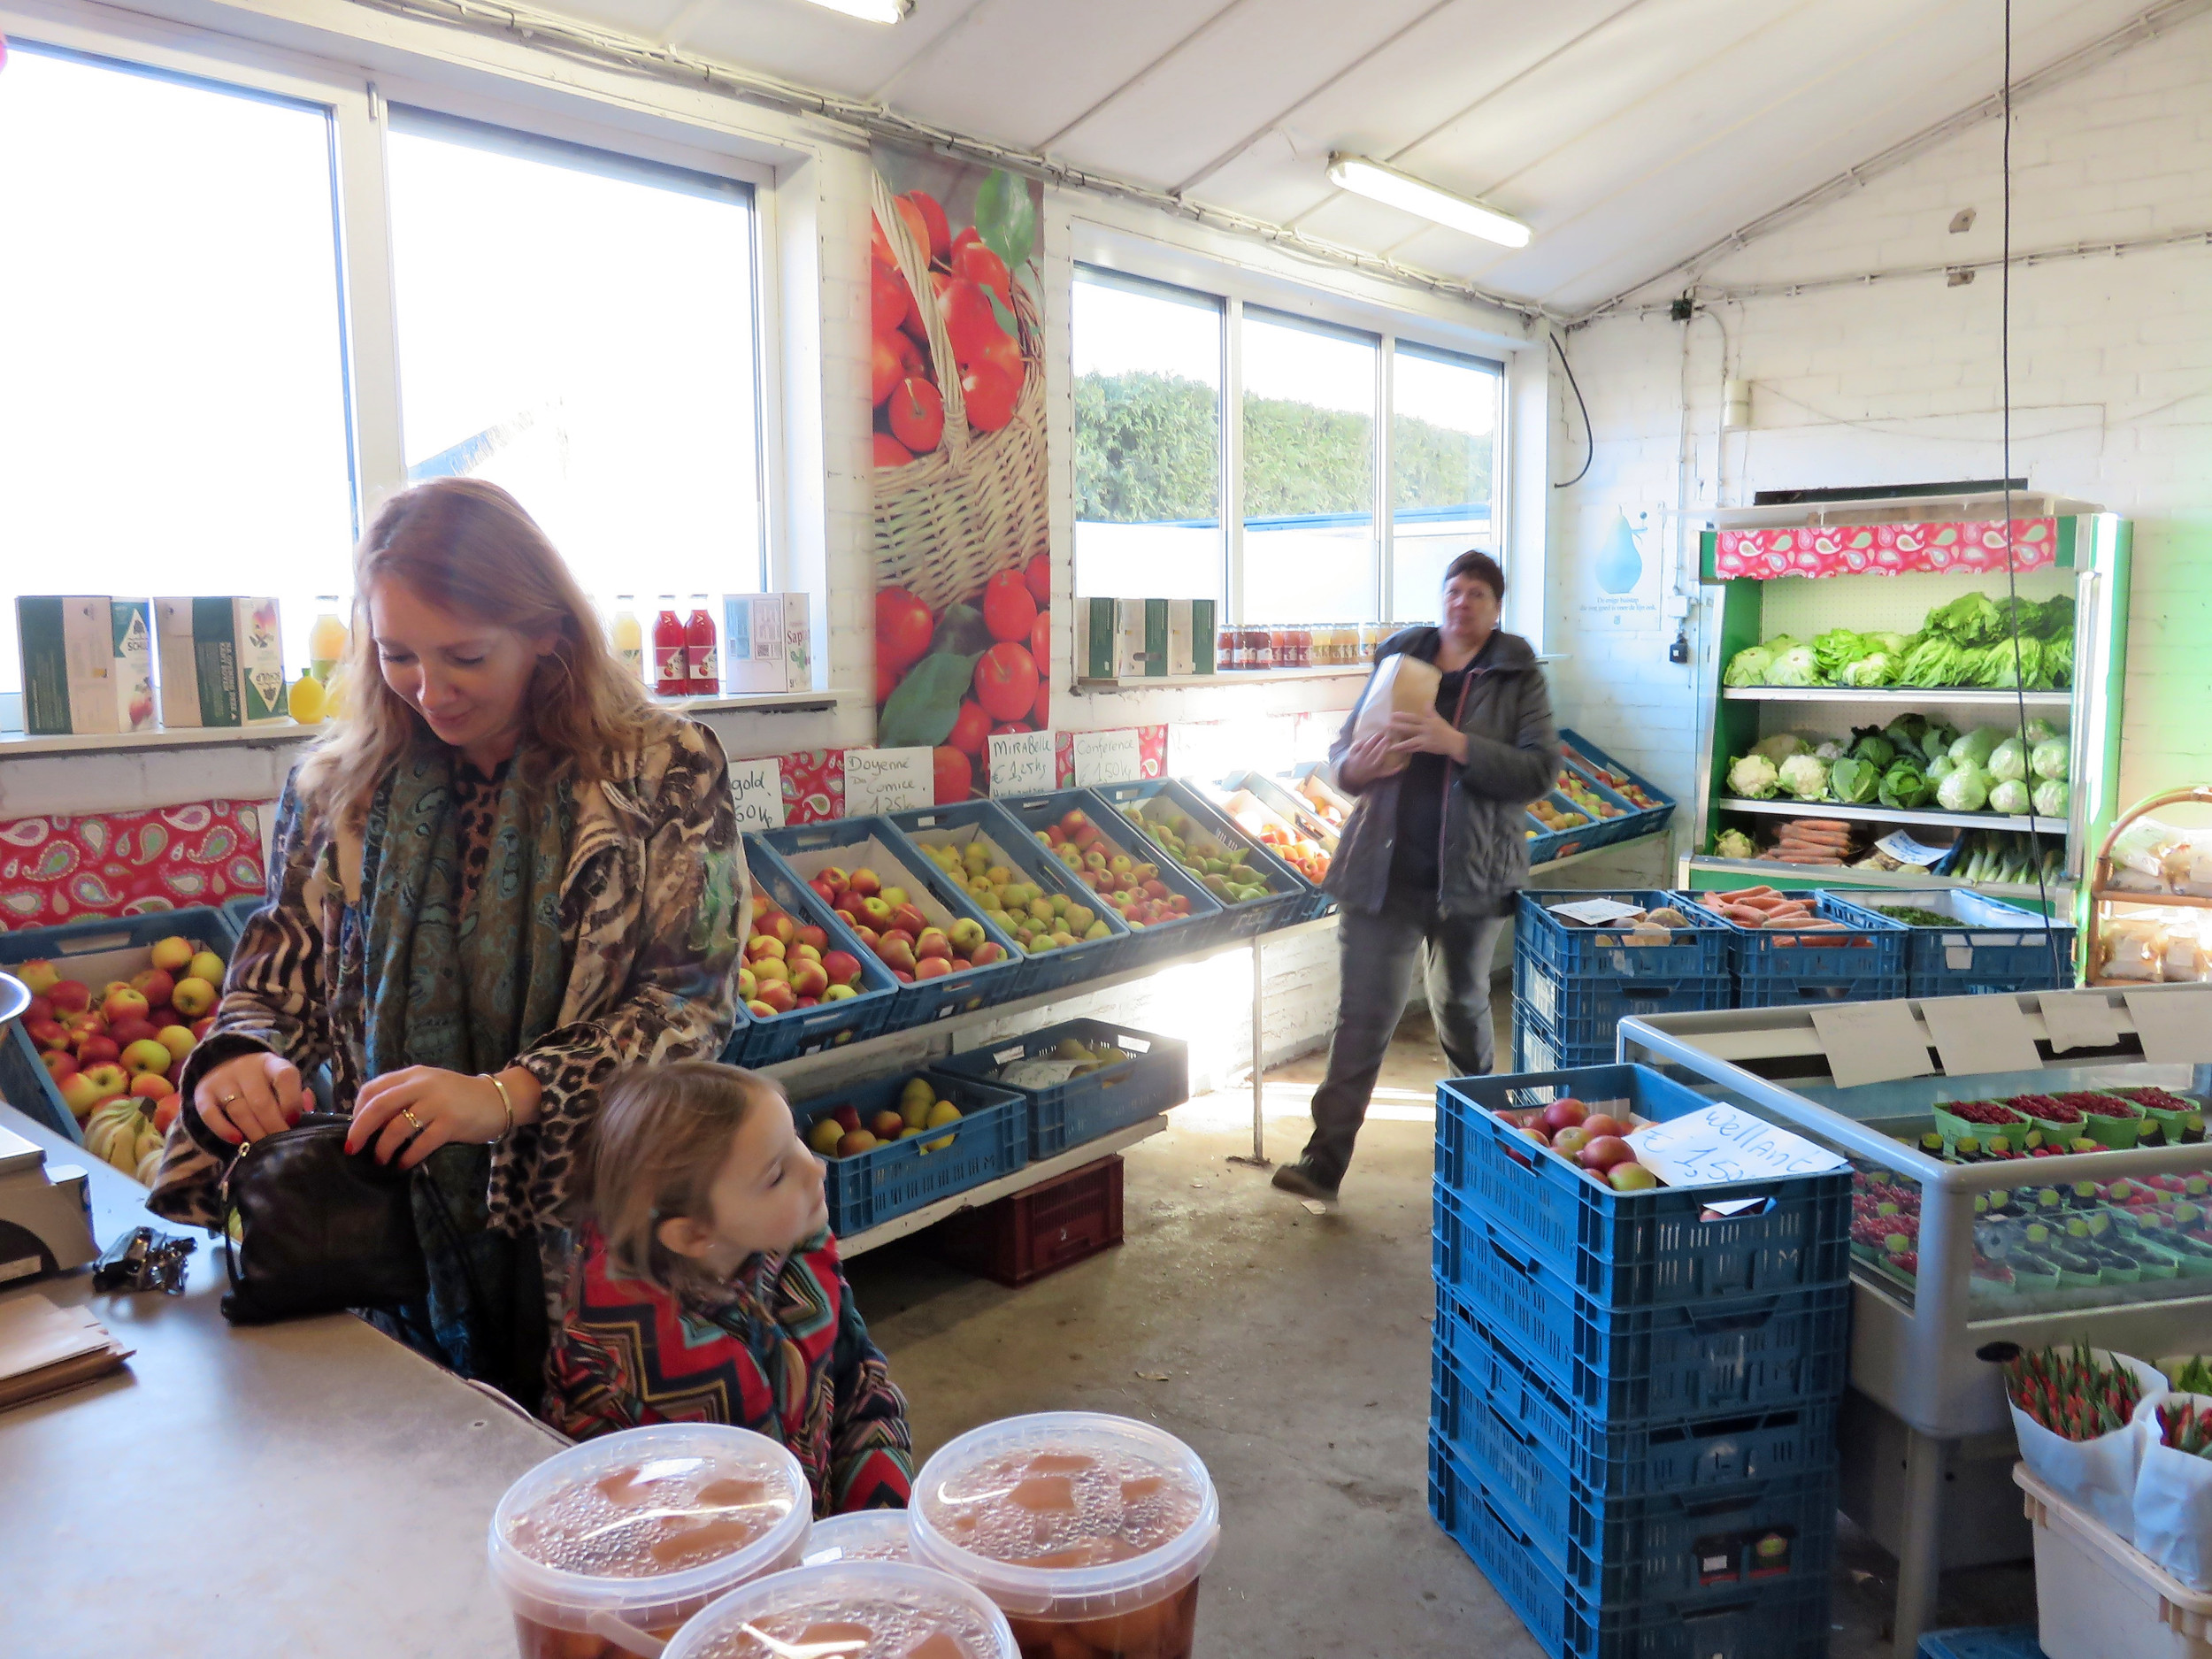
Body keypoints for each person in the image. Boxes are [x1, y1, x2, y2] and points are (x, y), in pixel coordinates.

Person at [148, 477, 749, 1402]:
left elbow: (689, 1007)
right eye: (397, 656)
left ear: (547, 630)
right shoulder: (336, 792)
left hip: (607, 1229)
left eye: (465, 655)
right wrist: (245, 1056)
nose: (431, 691)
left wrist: (507, 1096)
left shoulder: (660, 772)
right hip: (387, 1241)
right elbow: (278, 976)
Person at [1272, 549, 1557, 1203]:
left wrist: (1455, 743)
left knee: (1460, 1008)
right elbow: (1343, 751)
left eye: (1479, 593)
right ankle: (1324, 1160)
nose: (1463, 602)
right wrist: (1357, 769)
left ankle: (1484, 1147)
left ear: (1497, 607)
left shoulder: (1517, 675)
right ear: (1442, 597)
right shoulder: (1400, 658)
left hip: (1473, 878)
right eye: (1454, 590)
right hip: (1384, 870)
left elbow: (1540, 771)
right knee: (1363, 1017)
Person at [542, 1062, 913, 1515]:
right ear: (693, 1234)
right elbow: (645, 1537)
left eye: (796, 1137)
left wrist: (880, 1516)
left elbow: (862, 1388)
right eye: (776, 1175)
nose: (815, 1168)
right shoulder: (611, 1371)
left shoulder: (794, 1253)